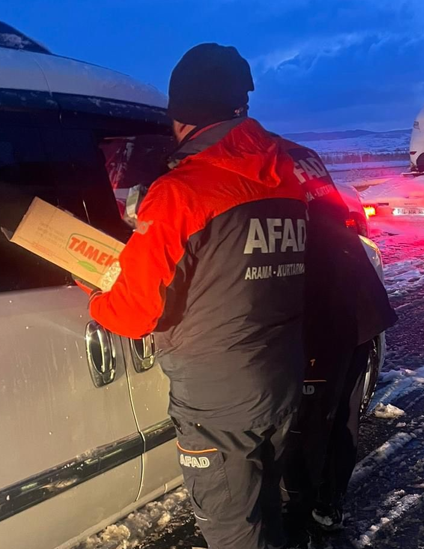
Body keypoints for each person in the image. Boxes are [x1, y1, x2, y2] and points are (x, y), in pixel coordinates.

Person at [85, 44, 308, 549]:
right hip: (278, 374)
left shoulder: (180, 193)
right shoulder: (285, 180)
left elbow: (131, 314)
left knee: (232, 527)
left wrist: (96, 287)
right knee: (264, 505)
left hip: (218, 399)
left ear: (181, 115)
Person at [276, 141, 397, 544]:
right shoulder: (295, 153)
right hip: (350, 300)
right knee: (337, 415)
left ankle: (304, 517)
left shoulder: (258, 165)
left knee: (309, 425)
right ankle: (327, 505)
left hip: (325, 308)